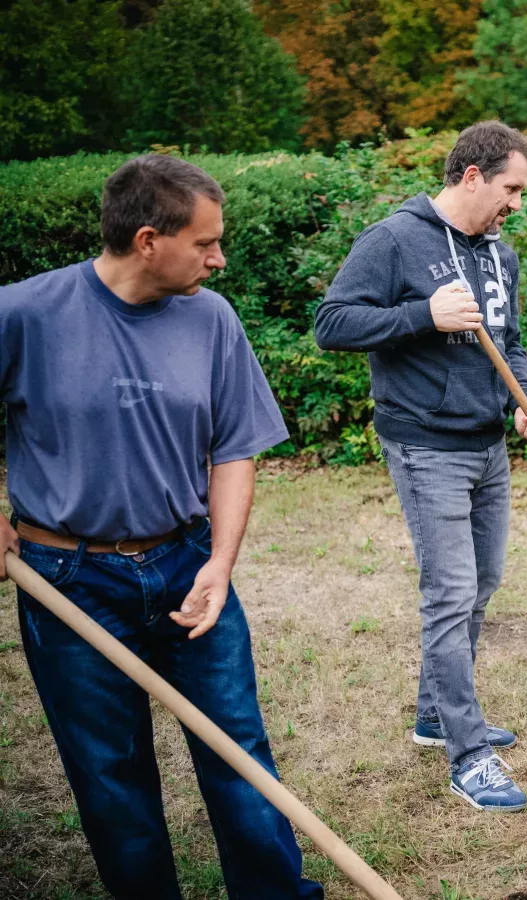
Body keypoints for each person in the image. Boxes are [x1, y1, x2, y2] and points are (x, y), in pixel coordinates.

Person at [0, 155, 320, 899]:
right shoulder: (24, 314)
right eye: (206, 243)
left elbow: (235, 447)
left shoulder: (210, 318)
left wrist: (220, 565)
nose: (220, 258)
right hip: (67, 584)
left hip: (186, 564)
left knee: (239, 751)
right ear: (148, 239)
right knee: (111, 777)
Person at [314, 120, 527, 813]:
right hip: (425, 445)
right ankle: (468, 754)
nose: (516, 204)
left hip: (488, 443)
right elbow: (332, 323)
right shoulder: (395, 239)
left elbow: (511, 342)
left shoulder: (497, 253)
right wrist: (422, 314)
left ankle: (433, 714)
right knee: (450, 593)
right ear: (472, 176)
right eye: (510, 189)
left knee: (483, 581)